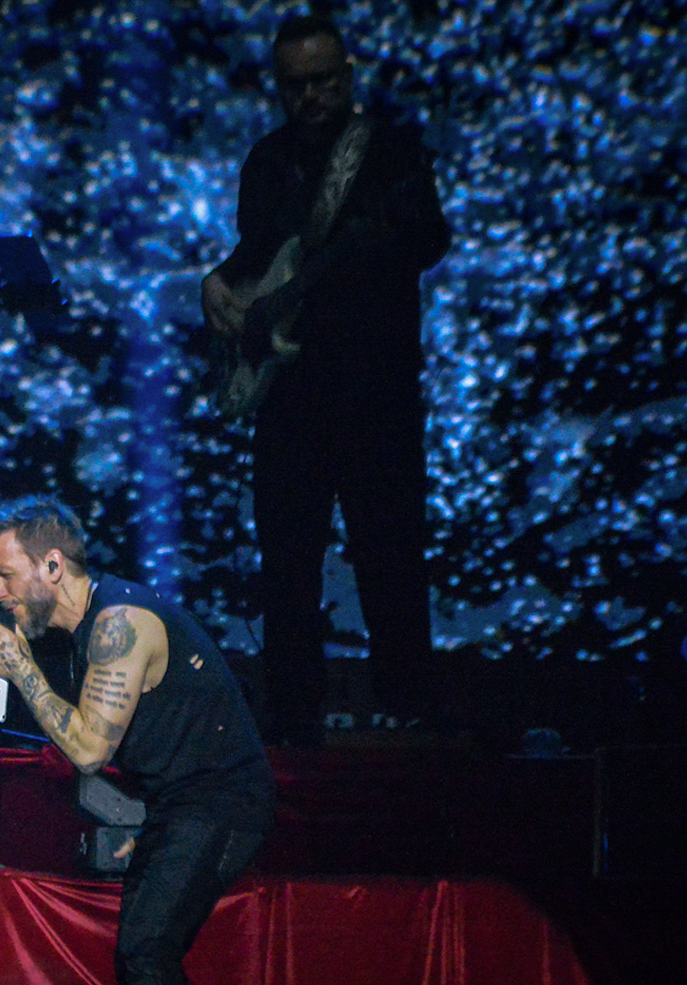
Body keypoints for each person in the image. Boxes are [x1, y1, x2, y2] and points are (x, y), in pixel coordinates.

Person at [201, 15, 451, 746]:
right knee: (288, 562)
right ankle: (293, 718)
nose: (310, 96)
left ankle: (409, 709)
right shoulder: (268, 159)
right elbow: (257, 252)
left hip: (376, 389)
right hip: (290, 393)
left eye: (323, 81)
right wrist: (218, 282)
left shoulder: (390, 150)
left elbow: (427, 239)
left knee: (390, 552)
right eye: (296, 85)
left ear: (347, 76)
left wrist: (342, 261)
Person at [0, 498, 274, 985]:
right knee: (140, 958)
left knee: (147, 953)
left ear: (53, 565)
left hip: (223, 801)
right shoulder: (86, 627)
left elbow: (90, 750)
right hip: (179, 805)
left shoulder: (119, 623)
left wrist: (23, 672)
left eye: (6, 575)